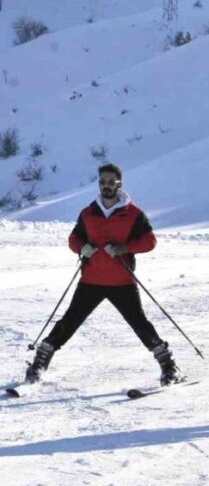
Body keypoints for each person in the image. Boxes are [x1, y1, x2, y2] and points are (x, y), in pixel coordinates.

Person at [24, 163, 183, 386]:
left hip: (122, 281)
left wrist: (123, 248)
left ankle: (169, 366)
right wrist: (82, 248)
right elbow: (74, 239)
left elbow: (150, 241)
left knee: (139, 324)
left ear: (119, 184)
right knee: (69, 322)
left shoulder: (134, 214)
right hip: (91, 280)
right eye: (102, 182)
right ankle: (39, 364)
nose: (106, 186)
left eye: (110, 182)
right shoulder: (88, 213)